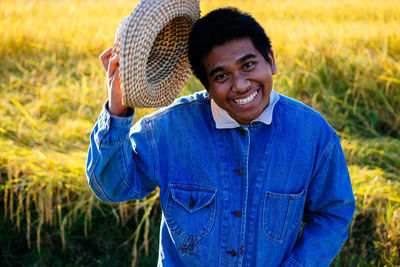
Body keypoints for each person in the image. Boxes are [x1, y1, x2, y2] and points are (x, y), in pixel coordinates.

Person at [86, 7, 355, 267]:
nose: (240, 85)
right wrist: (118, 109)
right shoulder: (167, 130)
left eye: (248, 65)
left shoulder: (313, 133)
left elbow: (332, 213)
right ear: (207, 86)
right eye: (222, 75)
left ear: (270, 60)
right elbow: (112, 187)